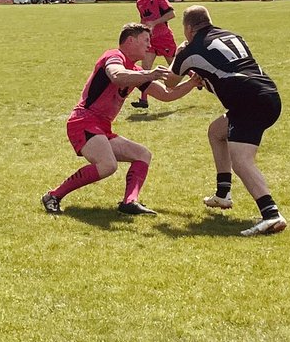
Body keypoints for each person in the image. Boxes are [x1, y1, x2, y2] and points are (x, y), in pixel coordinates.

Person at [41, 23, 195, 216]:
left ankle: (129, 202)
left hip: (101, 126)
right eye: (146, 40)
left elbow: (166, 94)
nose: (149, 45)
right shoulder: (114, 56)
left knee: (142, 155)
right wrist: (148, 74)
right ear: (131, 40)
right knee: (108, 165)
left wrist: (193, 82)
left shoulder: (135, 71)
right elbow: (116, 75)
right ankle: (53, 195)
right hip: (83, 121)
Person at [164, 5, 288, 235]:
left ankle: (271, 214)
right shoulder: (232, 36)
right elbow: (226, 72)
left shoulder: (191, 49)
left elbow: (170, 83)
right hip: (269, 94)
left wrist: (180, 54)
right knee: (216, 132)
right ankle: (223, 194)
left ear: (188, 28)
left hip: (247, 100)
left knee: (241, 160)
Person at [130, 0, 178, 110]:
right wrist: (140, 32)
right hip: (150, 40)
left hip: (164, 38)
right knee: (145, 68)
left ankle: (196, 79)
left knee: (176, 66)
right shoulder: (139, 2)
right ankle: (144, 99)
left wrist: (154, 23)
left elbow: (171, 14)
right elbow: (143, 19)